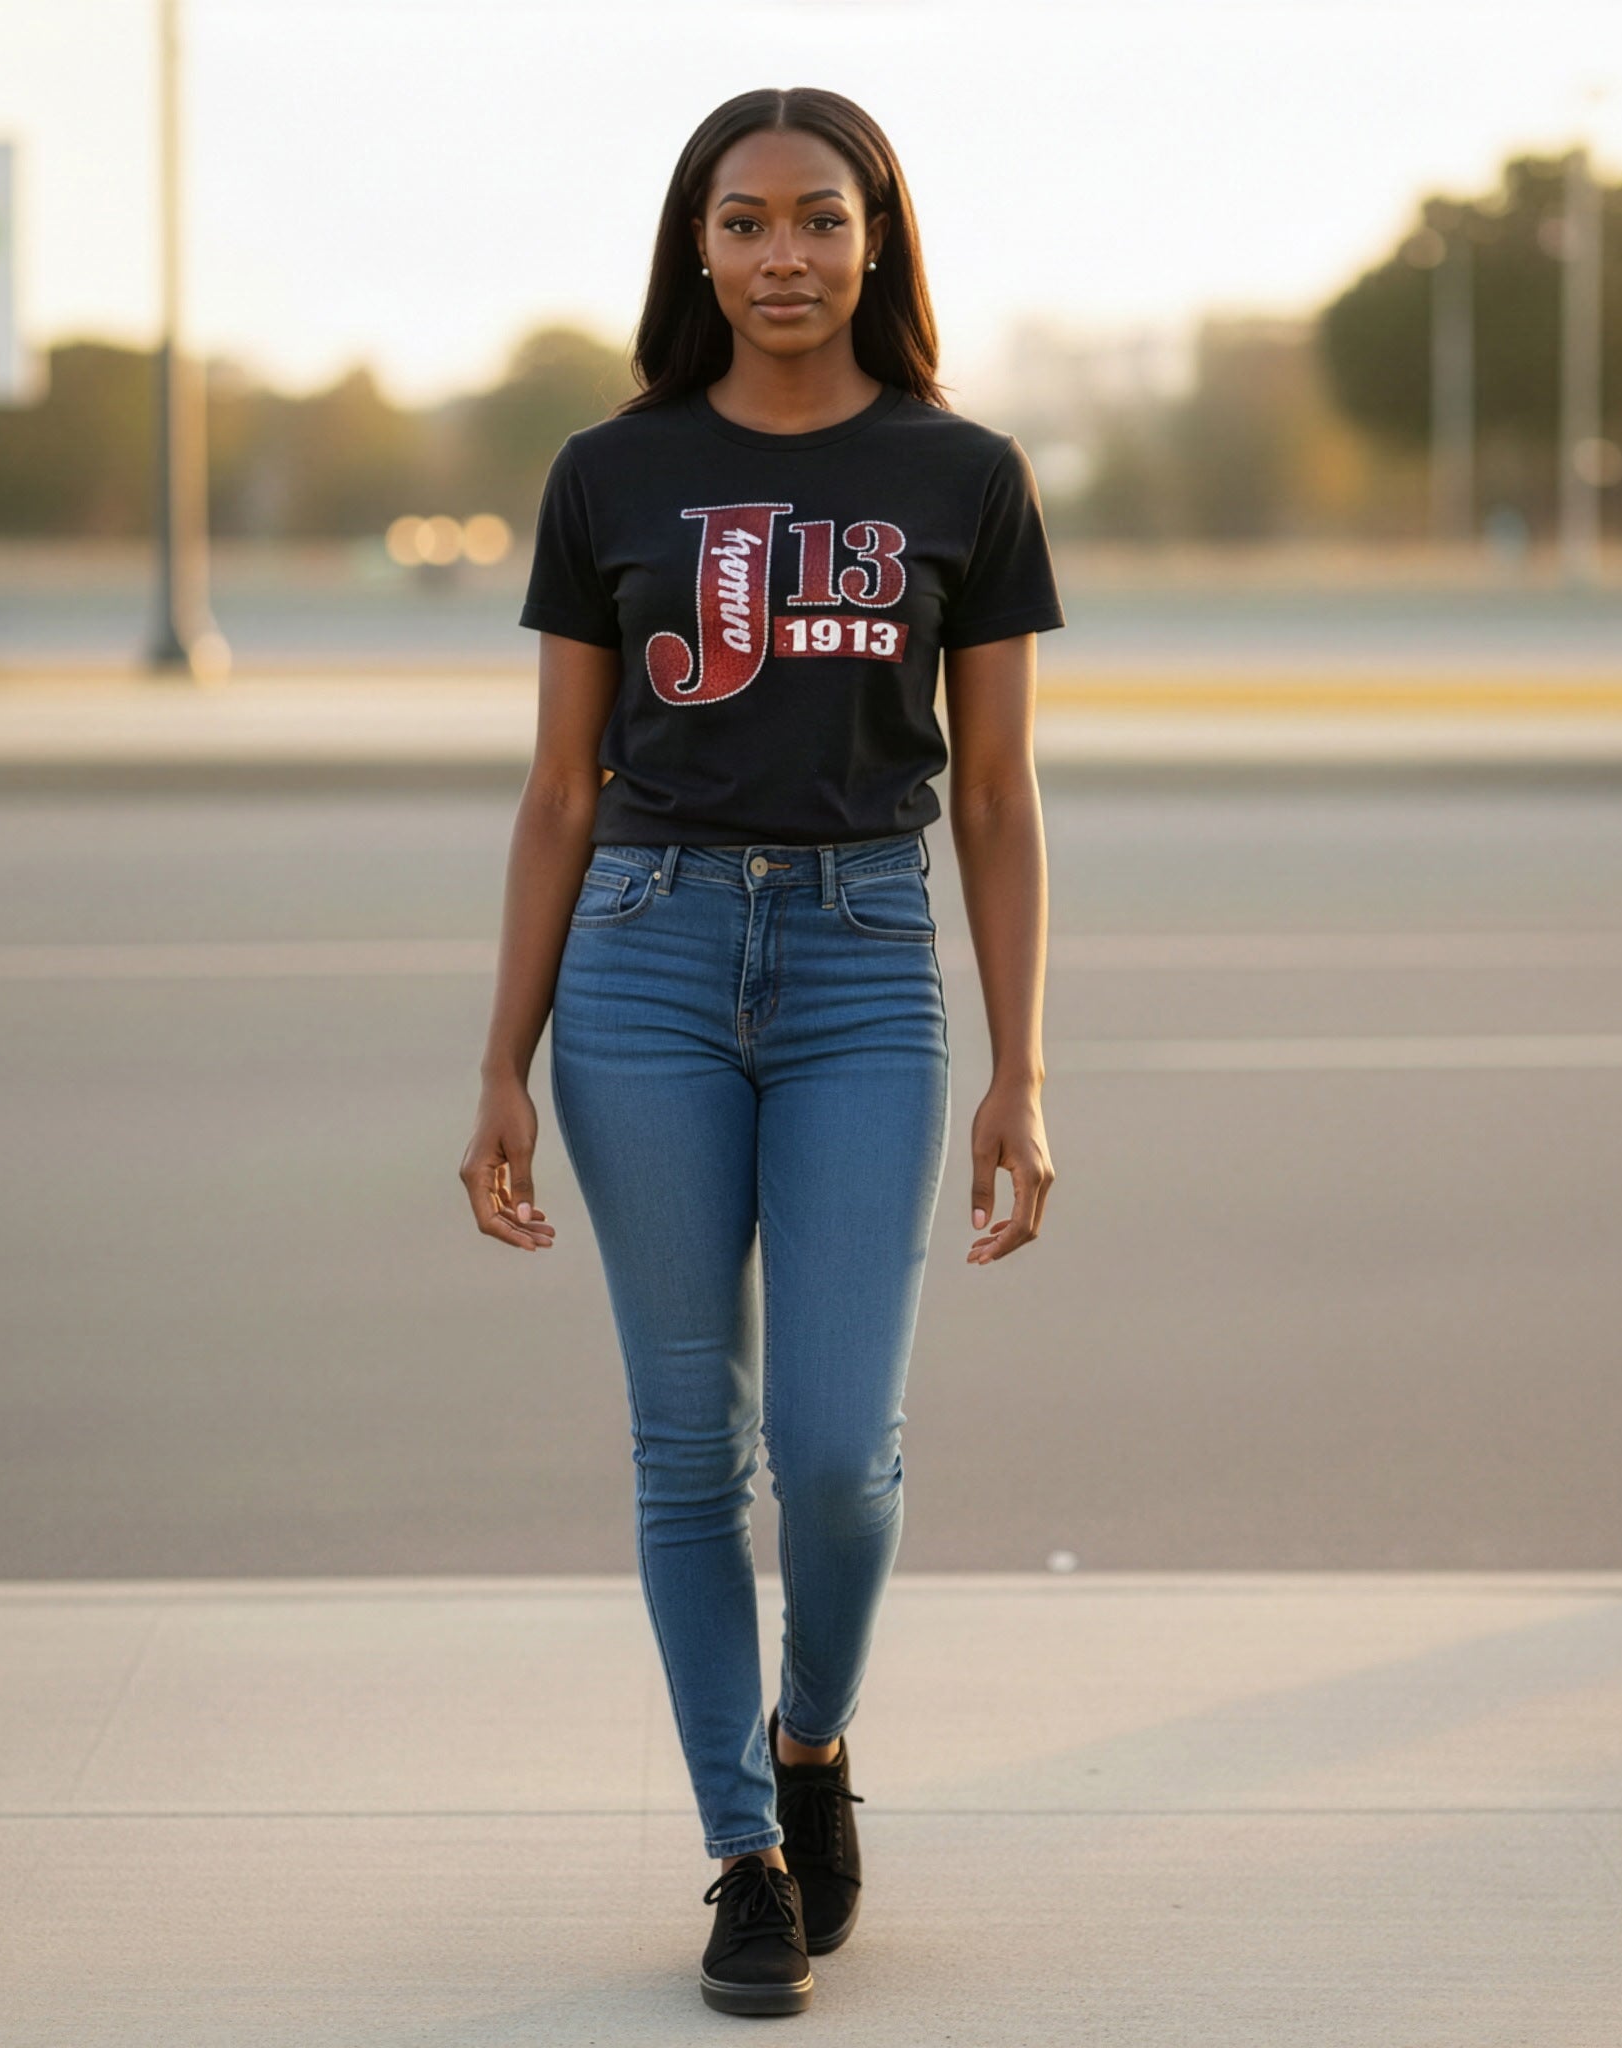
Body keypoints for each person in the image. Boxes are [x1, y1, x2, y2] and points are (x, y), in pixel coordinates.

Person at [461, 84, 1064, 2019]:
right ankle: (743, 1856)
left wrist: (1022, 1070)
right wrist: (500, 1064)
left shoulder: (960, 474)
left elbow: (998, 797)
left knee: (835, 1452)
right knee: (682, 1445)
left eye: (819, 218)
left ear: (874, 237)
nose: (783, 256)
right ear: (697, 247)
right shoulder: (608, 471)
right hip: (638, 962)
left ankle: (815, 1745)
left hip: (865, 964)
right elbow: (560, 789)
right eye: (745, 223)